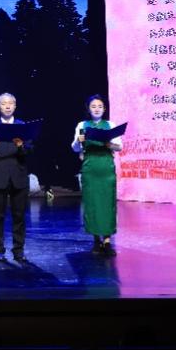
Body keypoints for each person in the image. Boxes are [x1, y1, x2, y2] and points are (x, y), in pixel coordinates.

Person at [0, 92, 33, 264]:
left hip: (18, 175)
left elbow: (30, 149)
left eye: (11, 103)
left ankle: (19, 251)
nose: (8, 106)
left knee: (19, 217)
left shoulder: (22, 126)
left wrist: (21, 146)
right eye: (4, 103)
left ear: (15, 106)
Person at [71, 94, 122, 255]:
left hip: (106, 168)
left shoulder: (110, 125)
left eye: (100, 106)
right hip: (90, 168)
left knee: (107, 203)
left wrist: (108, 144)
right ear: (88, 109)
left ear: (104, 109)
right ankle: (95, 240)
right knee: (92, 203)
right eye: (93, 106)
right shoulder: (82, 125)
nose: (97, 109)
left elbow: (119, 147)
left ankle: (107, 241)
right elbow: (75, 149)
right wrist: (78, 141)